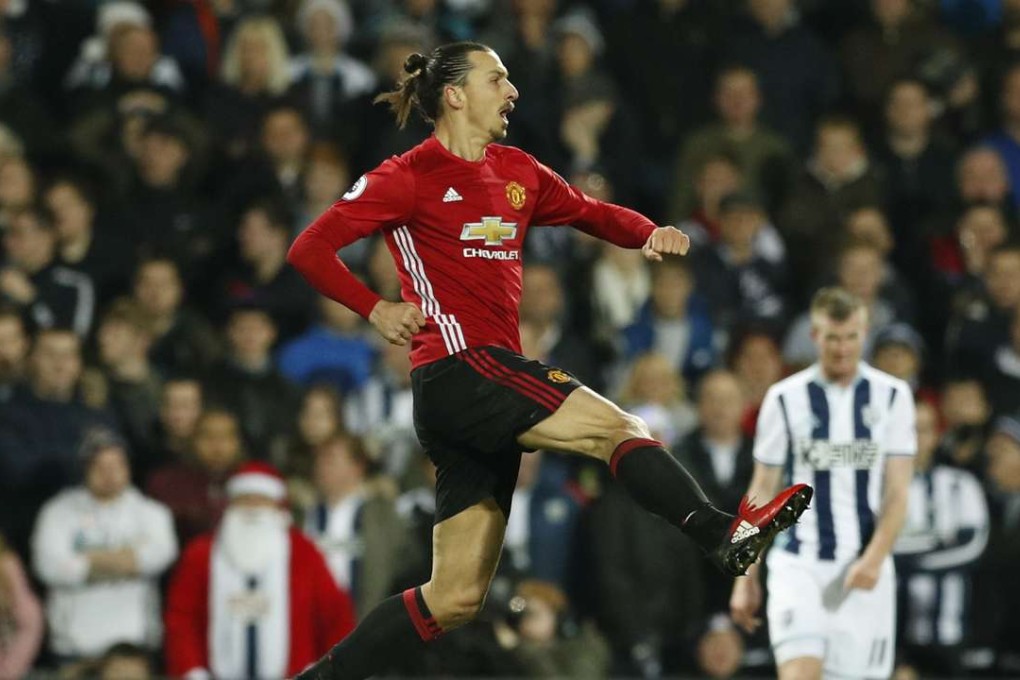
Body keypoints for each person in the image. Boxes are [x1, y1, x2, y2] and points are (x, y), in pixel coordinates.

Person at [287, 42, 811, 680]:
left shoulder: (518, 172)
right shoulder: (408, 174)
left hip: (470, 396)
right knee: (620, 429)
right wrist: (373, 308)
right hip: (462, 366)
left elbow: (589, 213)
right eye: (497, 79)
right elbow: (310, 248)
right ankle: (719, 532)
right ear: (454, 94)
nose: (512, 92)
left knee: (452, 598)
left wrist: (645, 231)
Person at [730, 287, 917, 680]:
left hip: (866, 571)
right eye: (833, 337)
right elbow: (761, 489)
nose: (842, 348)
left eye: (851, 337)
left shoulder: (893, 397)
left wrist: (874, 558)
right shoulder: (784, 398)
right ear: (816, 337)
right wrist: (745, 574)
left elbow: (898, 493)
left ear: (863, 335)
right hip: (799, 564)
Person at [164, 461, 356, 679]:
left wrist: (324, 673)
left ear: (277, 506)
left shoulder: (304, 553)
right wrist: (192, 671)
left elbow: (335, 617)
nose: (253, 507)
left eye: (262, 500)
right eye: (244, 498)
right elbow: (181, 619)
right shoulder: (201, 554)